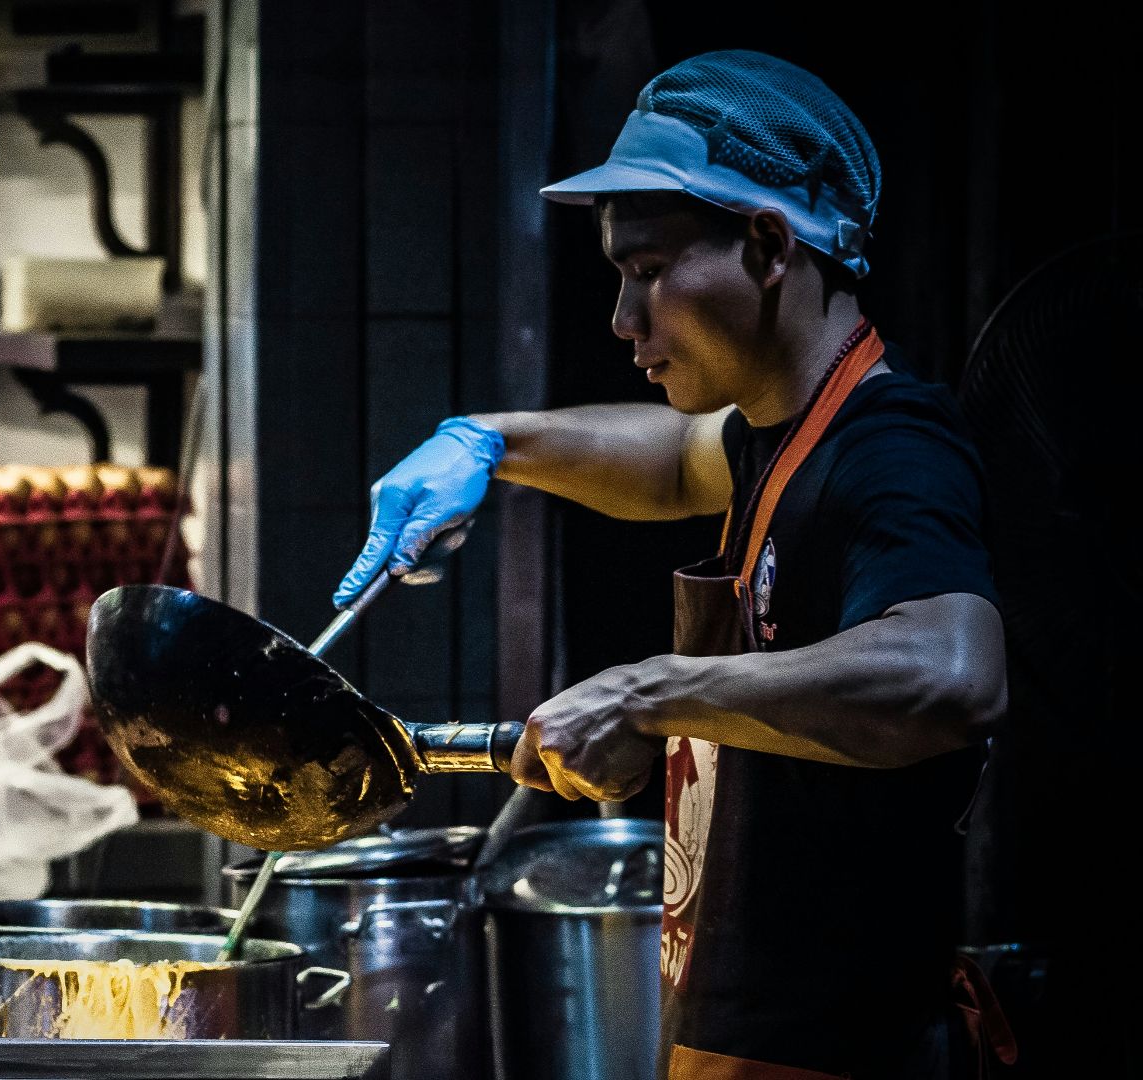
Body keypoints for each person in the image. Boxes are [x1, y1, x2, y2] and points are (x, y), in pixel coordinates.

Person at [334, 51, 1012, 1079]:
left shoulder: (891, 444)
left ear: (769, 242)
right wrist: (485, 441)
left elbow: (952, 670)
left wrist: (650, 695)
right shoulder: (775, 434)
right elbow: (665, 460)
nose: (623, 321)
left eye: (648, 273)